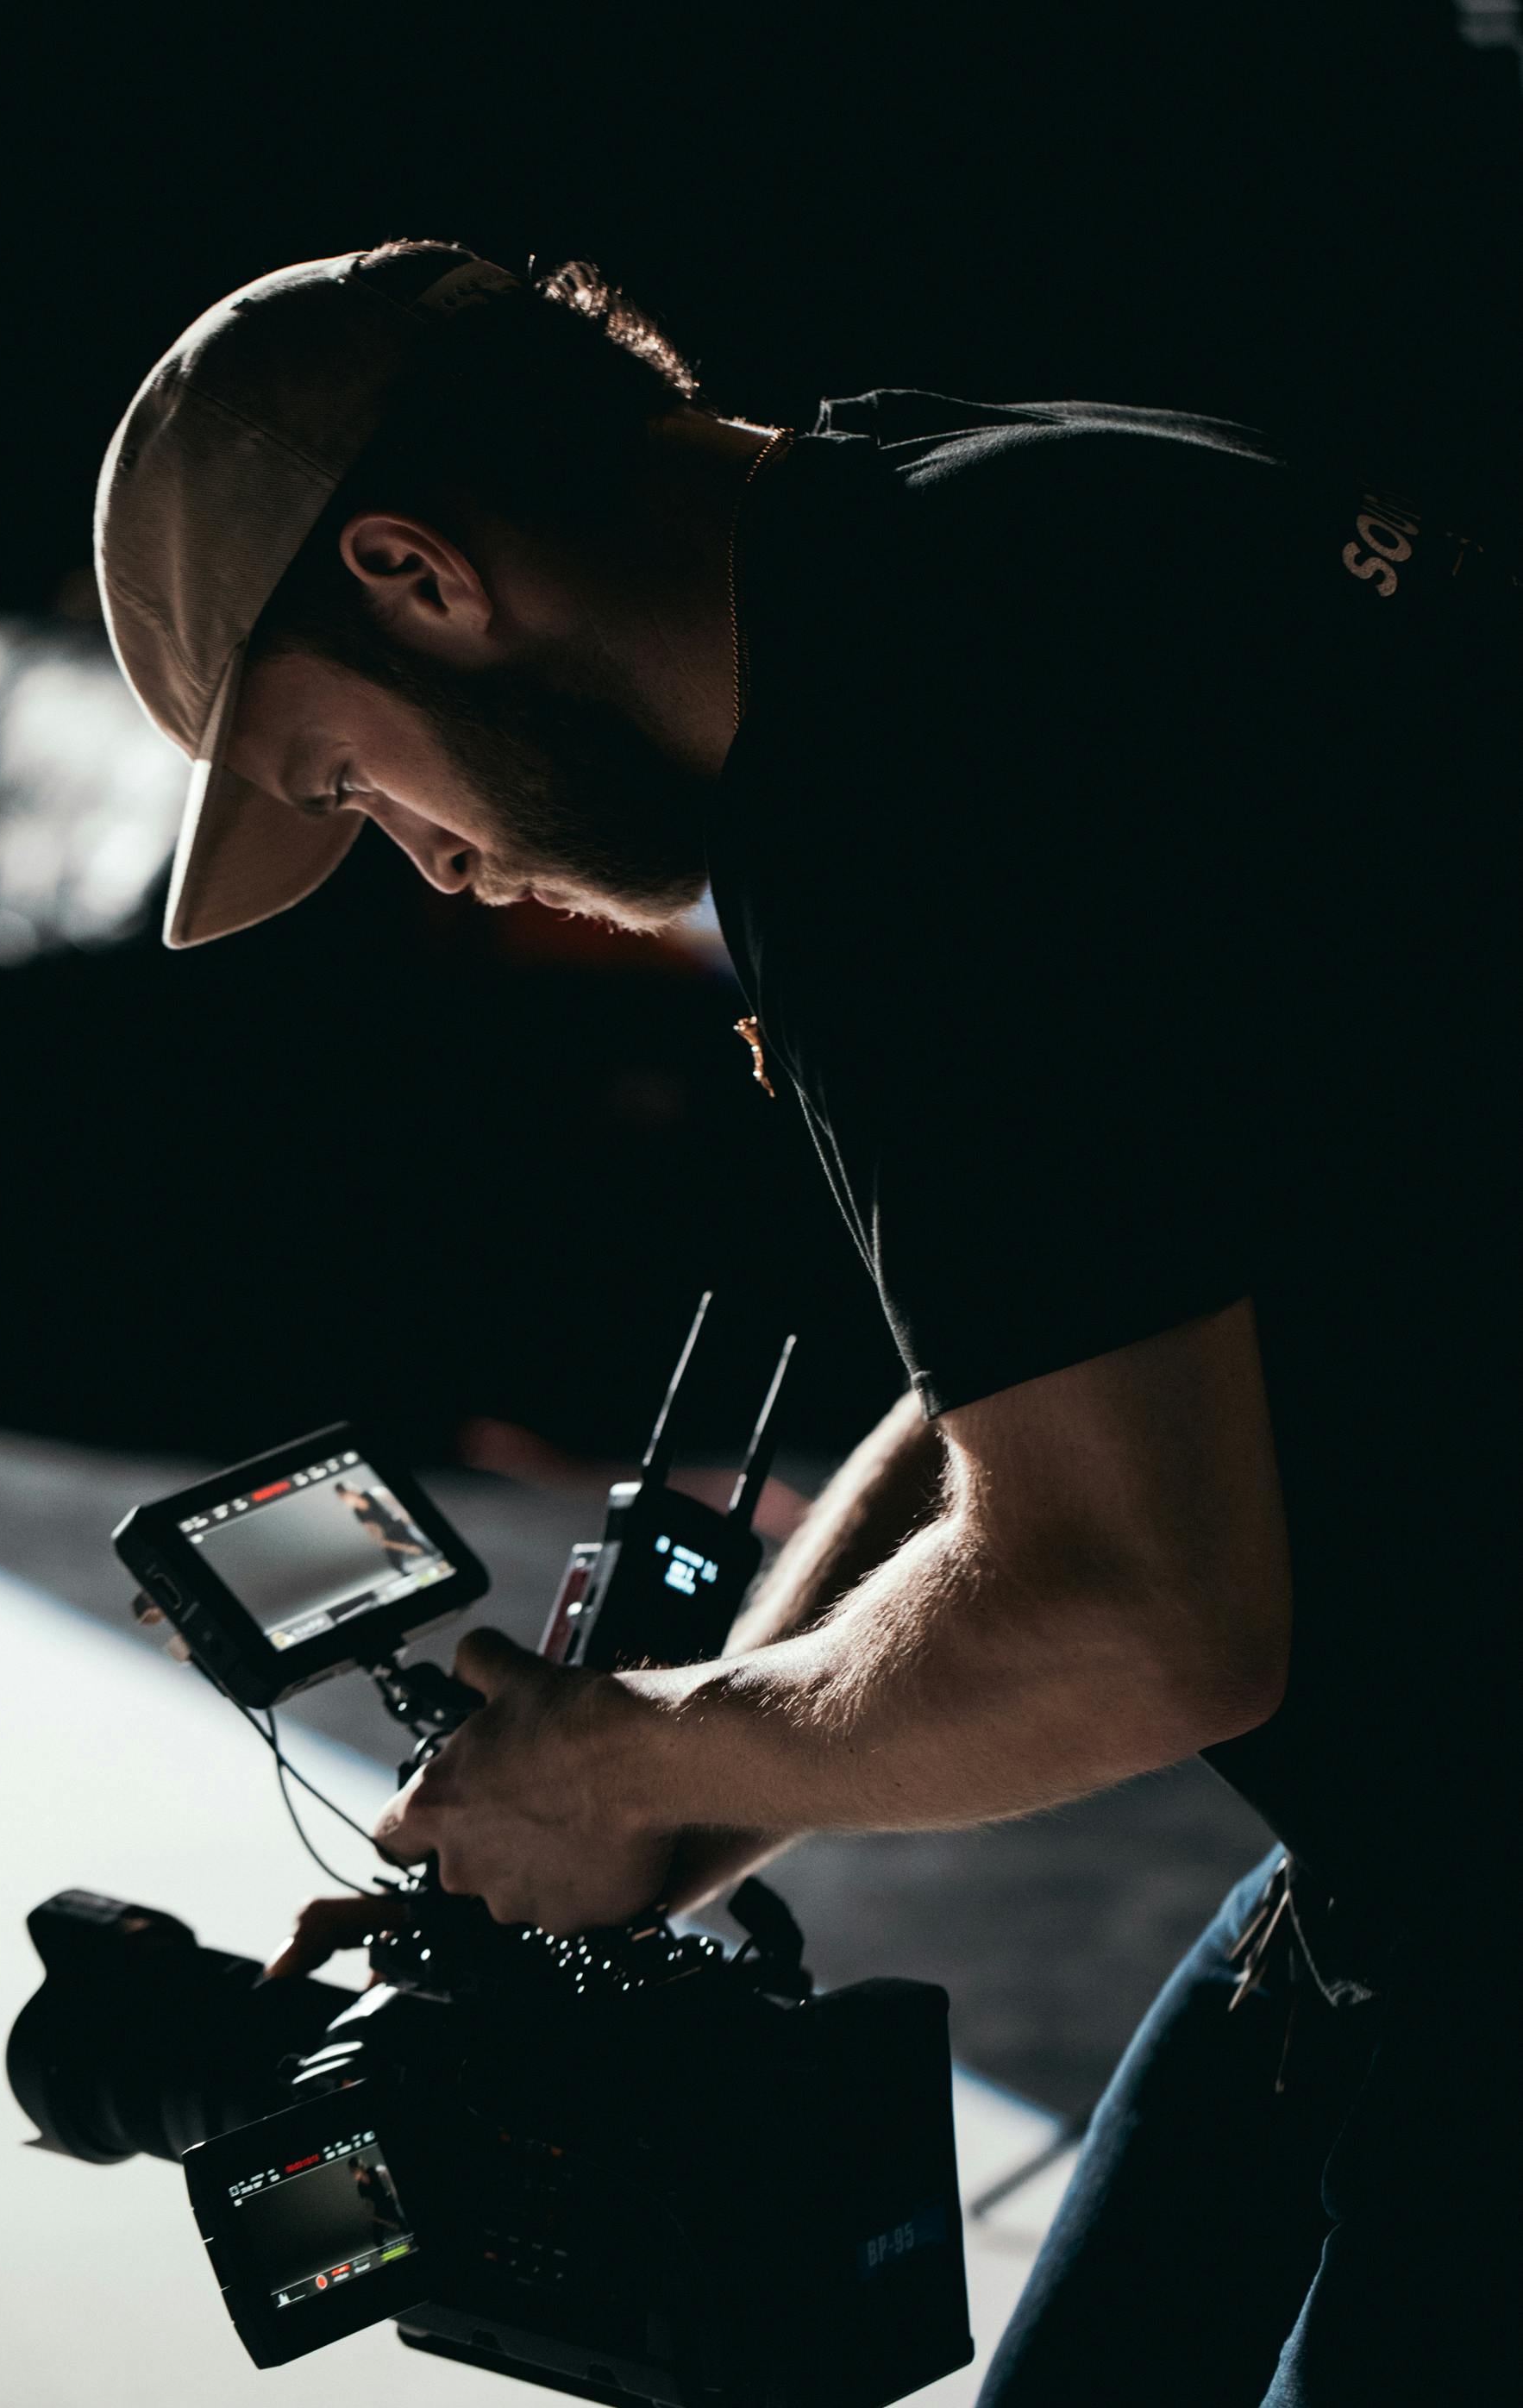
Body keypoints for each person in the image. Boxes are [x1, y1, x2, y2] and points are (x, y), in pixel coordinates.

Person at [96, 241, 1514, 2404]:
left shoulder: (898, 780)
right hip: (1415, 1830)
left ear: (414, 575)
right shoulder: (970, 507)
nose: (430, 864)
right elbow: (1034, 1398)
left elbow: (1141, 1609)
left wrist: (649, 1746)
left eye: (341, 783)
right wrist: (671, 1784)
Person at [335, 1478, 427, 1579]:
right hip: (388, 1533)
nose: (344, 1499)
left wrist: (405, 1519)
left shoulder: (374, 1494)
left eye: (344, 1495)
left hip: (400, 1525)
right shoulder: (357, 1511)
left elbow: (395, 1504)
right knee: (396, 1564)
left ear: (351, 1492)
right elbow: (372, 1532)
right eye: (342, 1497)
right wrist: (405, 1548)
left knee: (424, 1546)